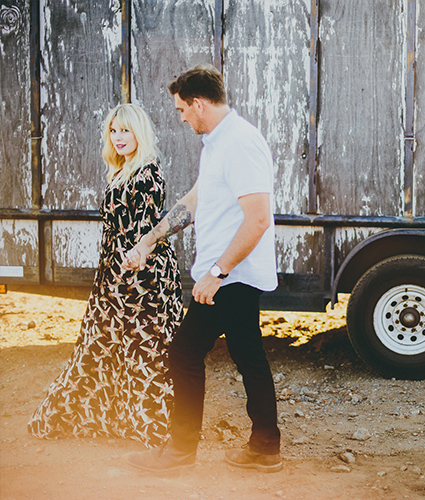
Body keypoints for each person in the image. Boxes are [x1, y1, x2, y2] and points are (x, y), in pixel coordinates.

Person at [123, 65, 281, 473]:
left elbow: (259, 218)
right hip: (230, 273)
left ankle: (179, 451)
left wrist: (218, 272)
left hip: (232, 276)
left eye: (181, 110)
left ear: (198, 103)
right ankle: (265, 446)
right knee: (249, 355)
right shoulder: (217, 142)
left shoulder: (240, 143)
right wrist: (149, 239)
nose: (181, 118)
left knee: (184, 352)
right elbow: (195, 201)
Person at [28, 104, 184, 447]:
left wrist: (130, 266)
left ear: (138, 132)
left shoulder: (146, 174)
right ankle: (109, 416)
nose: (119, 138)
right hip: (116, 275)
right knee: (101, 347)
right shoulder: (120, 171)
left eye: (125, 131)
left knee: (143, 352)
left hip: (143, 280)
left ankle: (153, 426)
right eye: (114, 131)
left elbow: (144, 232)